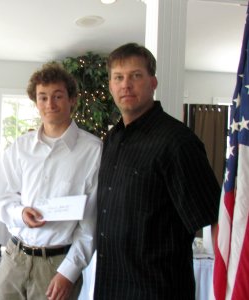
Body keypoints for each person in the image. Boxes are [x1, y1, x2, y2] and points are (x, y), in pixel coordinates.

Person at [94, 43, 220, 299]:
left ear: (153, 82)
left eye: (136, 76)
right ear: (110, 86)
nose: (126, 85)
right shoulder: (112, 139)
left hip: (157, 289)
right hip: (111, 285)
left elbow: (211, 217)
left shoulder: (177, 142)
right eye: (118, 77)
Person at [0, 62, 102, 300]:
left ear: (72, 100)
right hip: (14, 258)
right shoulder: (20, 147)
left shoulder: (93, 151)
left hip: (57, 265)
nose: (50, 104)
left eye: (57, 96)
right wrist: (20, 213)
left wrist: (69, 272)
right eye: (42, 97)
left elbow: (90, 226)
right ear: (36, 102)